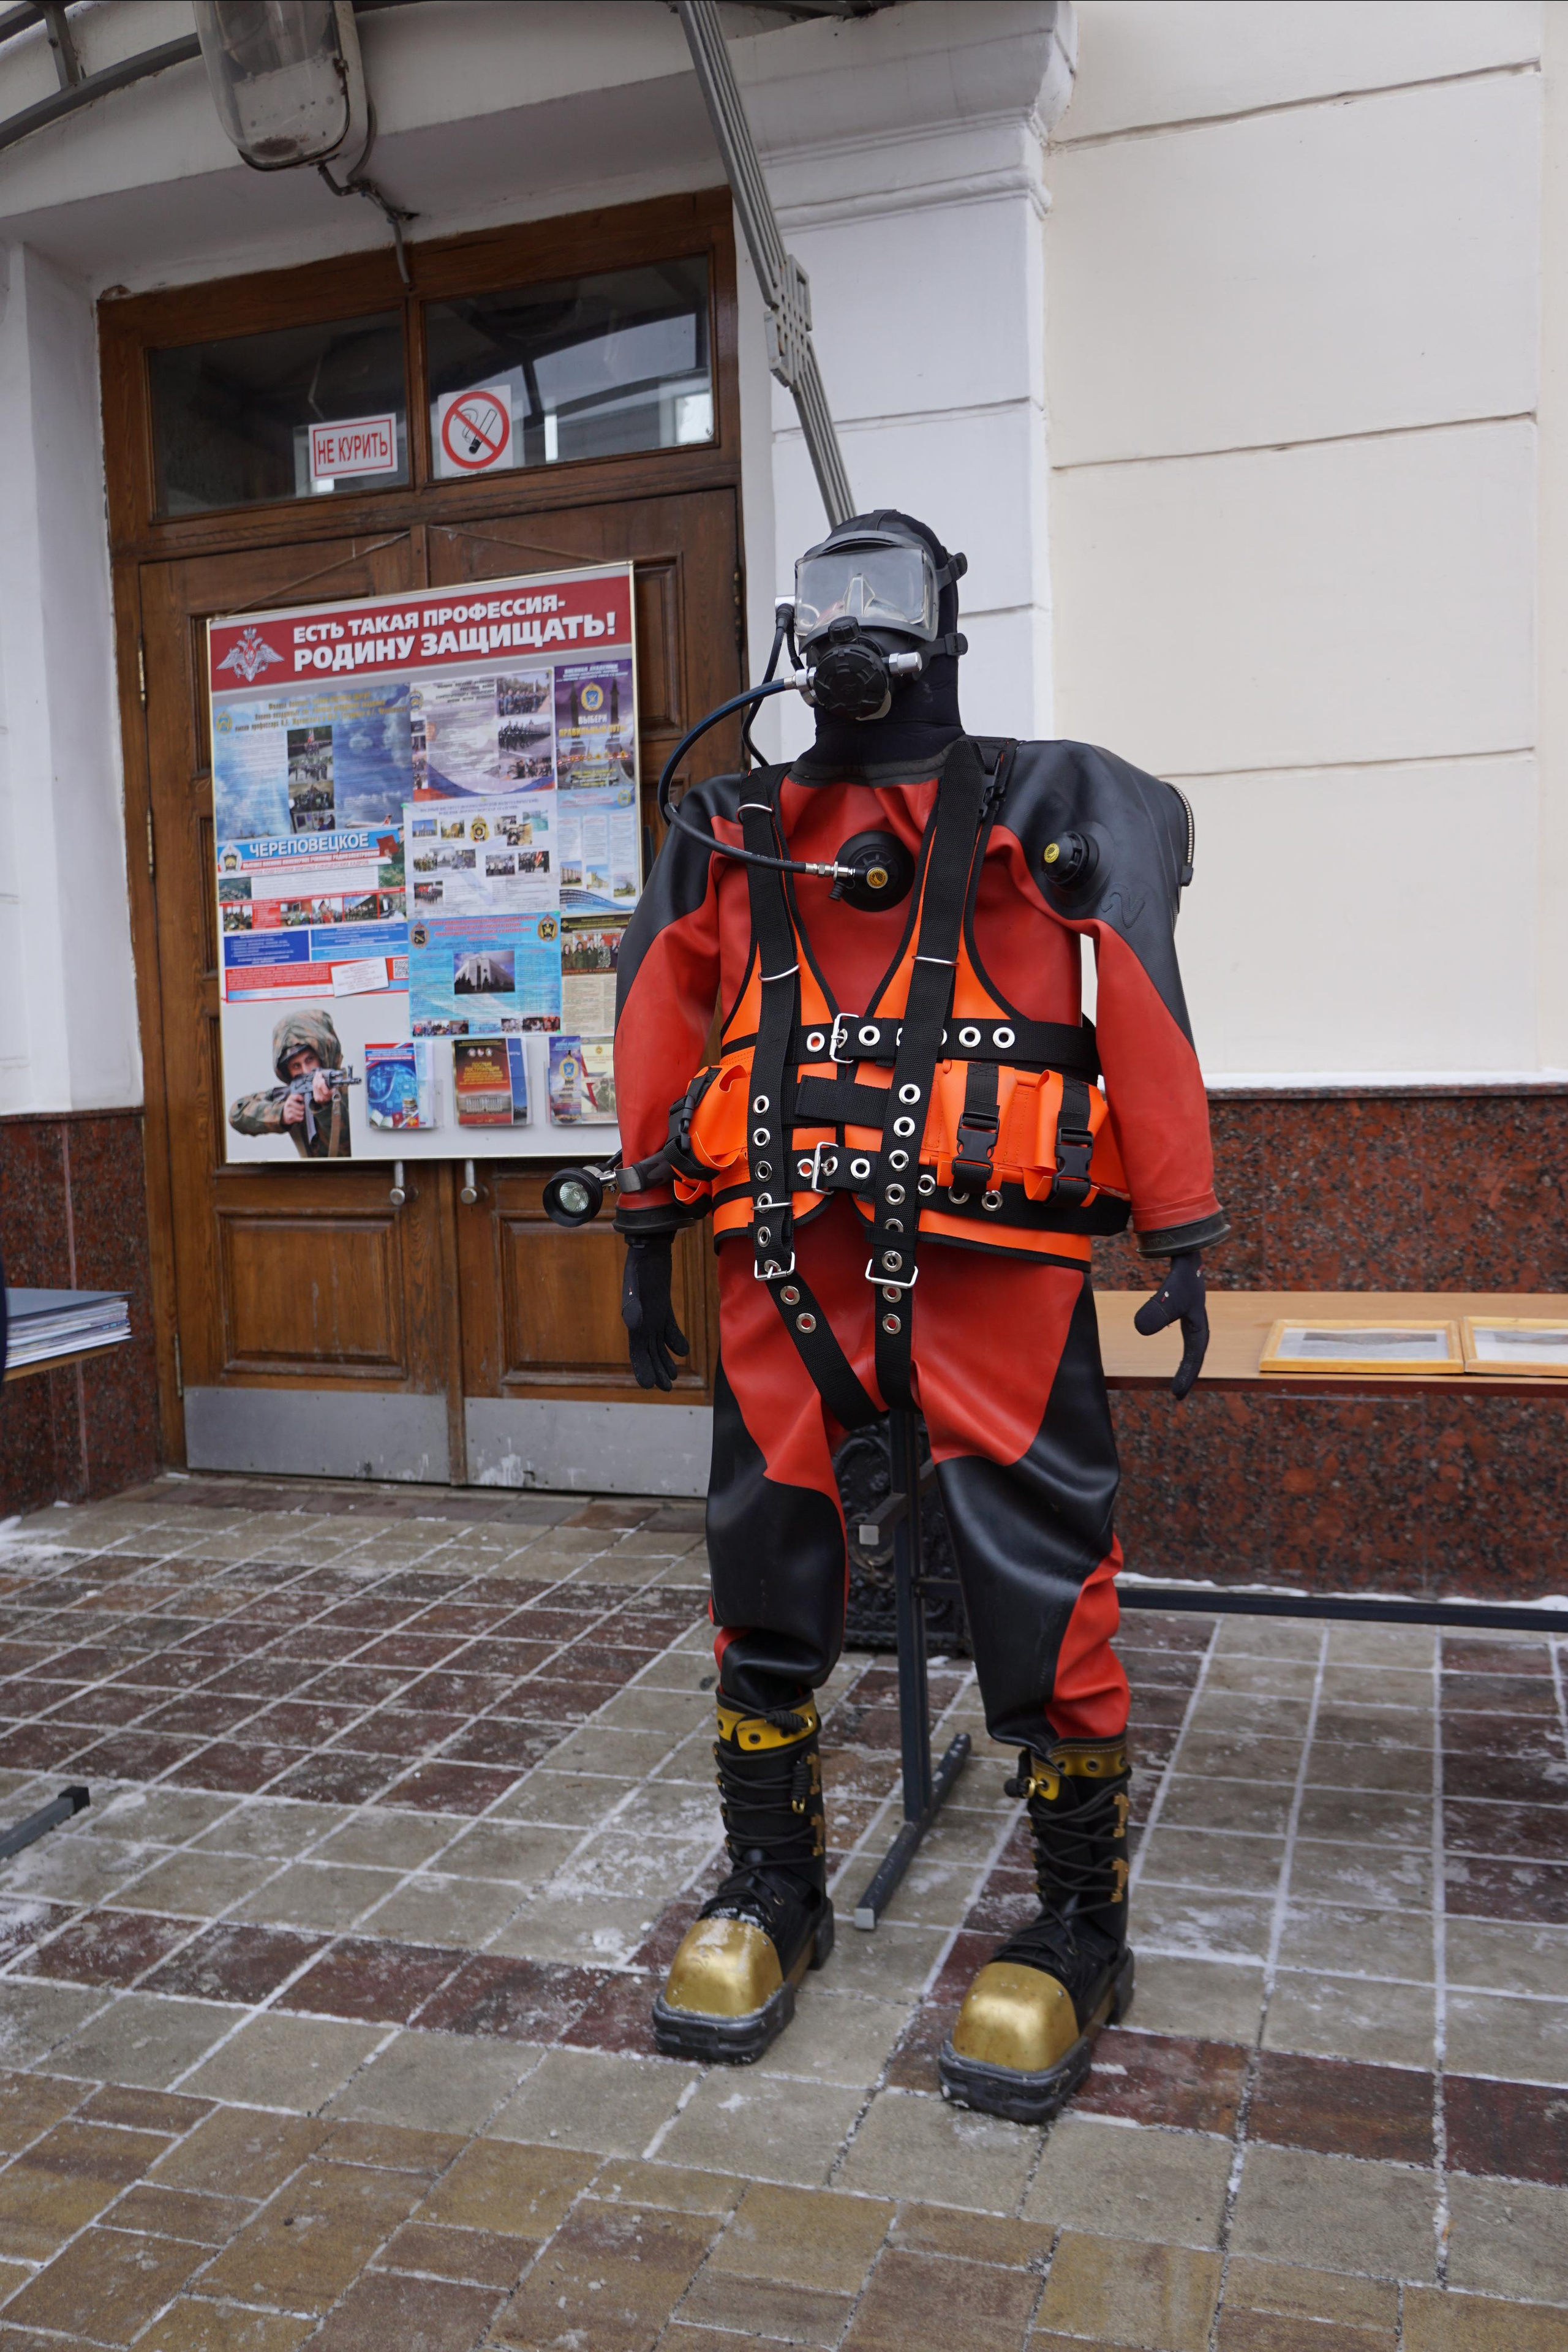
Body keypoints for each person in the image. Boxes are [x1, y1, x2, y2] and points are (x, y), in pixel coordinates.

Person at [611, 510, 1227, 2123]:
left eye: (884, 598)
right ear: (795, 630)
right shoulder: (734, 827)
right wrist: (638, 1224)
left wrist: (1180, 1224)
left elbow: (1140, 987)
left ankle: (1080, 1919)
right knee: (765, 1559)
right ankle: (772, 1887)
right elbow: (660, 1007)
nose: (855, 630)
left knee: (1039, 1565)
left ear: (948, 620)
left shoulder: (1052, 802)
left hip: (995, 1267)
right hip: (779, 1267)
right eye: (831, 600)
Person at [228, 1008, 353, 1159]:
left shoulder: (349, 1091)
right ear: (287, 1071)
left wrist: (327, 1107)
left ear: (323, 1055)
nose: (306, 1071)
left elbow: (347, 1151)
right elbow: (236, 1114)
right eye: (296, 1066)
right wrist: (280, 1114)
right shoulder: (293, 1093)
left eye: (310, 1060)